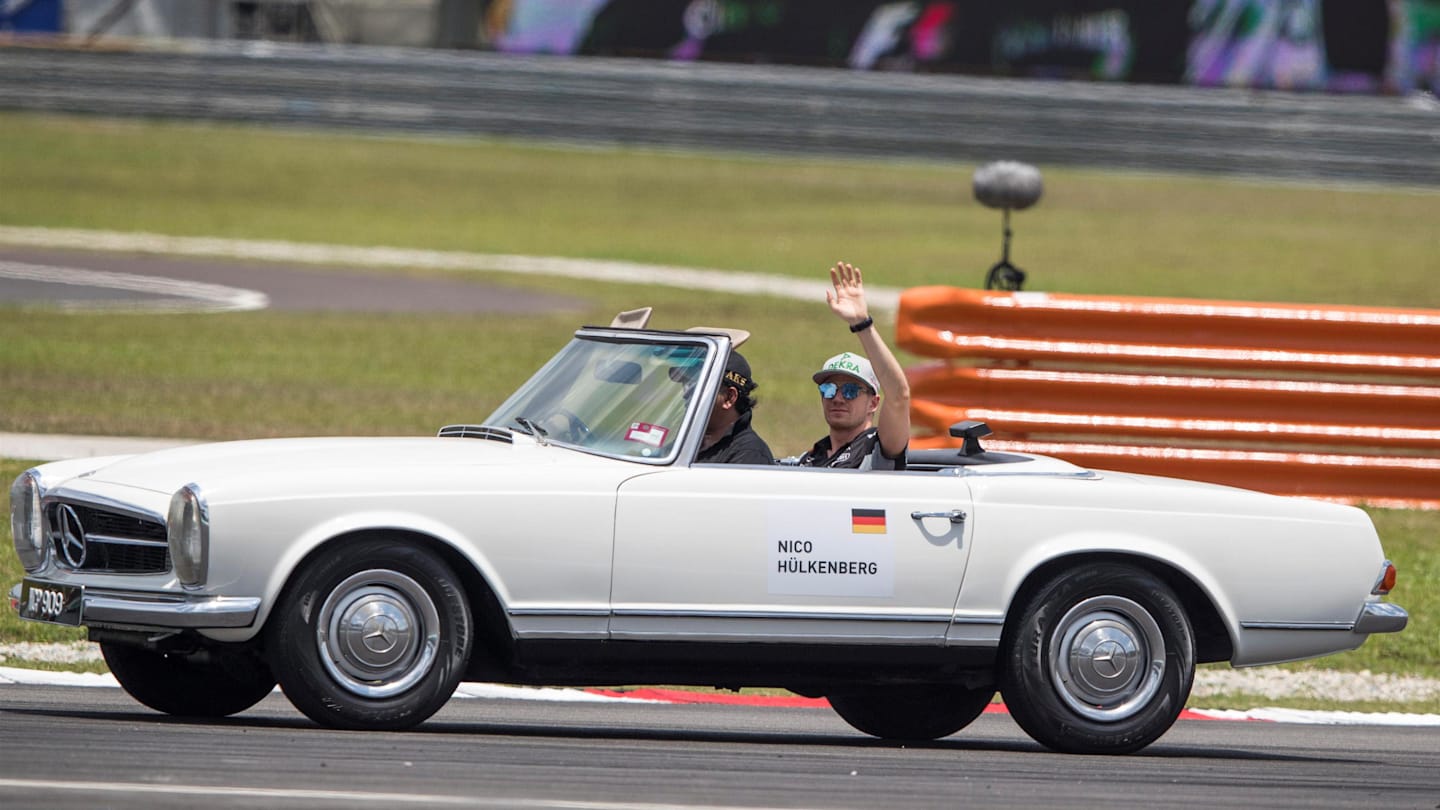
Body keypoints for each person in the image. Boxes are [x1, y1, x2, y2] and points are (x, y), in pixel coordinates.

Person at [796, 261, 911, 470]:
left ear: (873, 403)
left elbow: (899, 395)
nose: (837, 398)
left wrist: (862, 325)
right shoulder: (810, 457)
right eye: (828, 390)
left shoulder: (878, 447)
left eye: (850, 391)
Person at [695, 349, 774, 464]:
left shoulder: (750, 455)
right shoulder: (685, 442)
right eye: (685, 385)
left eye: (697, 387)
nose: (686, 393)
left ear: (729, 398)